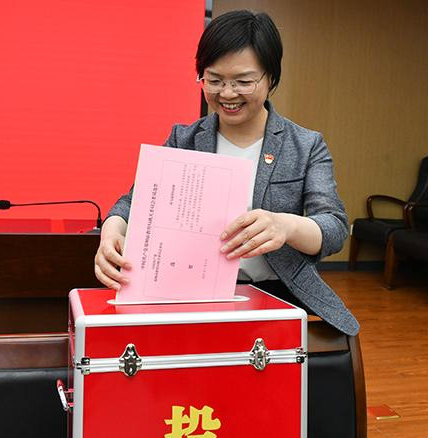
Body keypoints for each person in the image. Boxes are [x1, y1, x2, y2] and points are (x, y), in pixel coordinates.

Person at [94, 10, 359, 336]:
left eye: (243, 82)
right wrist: (111, 231)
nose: (228, 94)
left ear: (271, 78)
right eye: (214, 80)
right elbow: (131, 203)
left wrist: (286, 226)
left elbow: (334, 227)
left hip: (278, 295)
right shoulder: (184, 139)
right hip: (191, 294)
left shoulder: (305, 145)